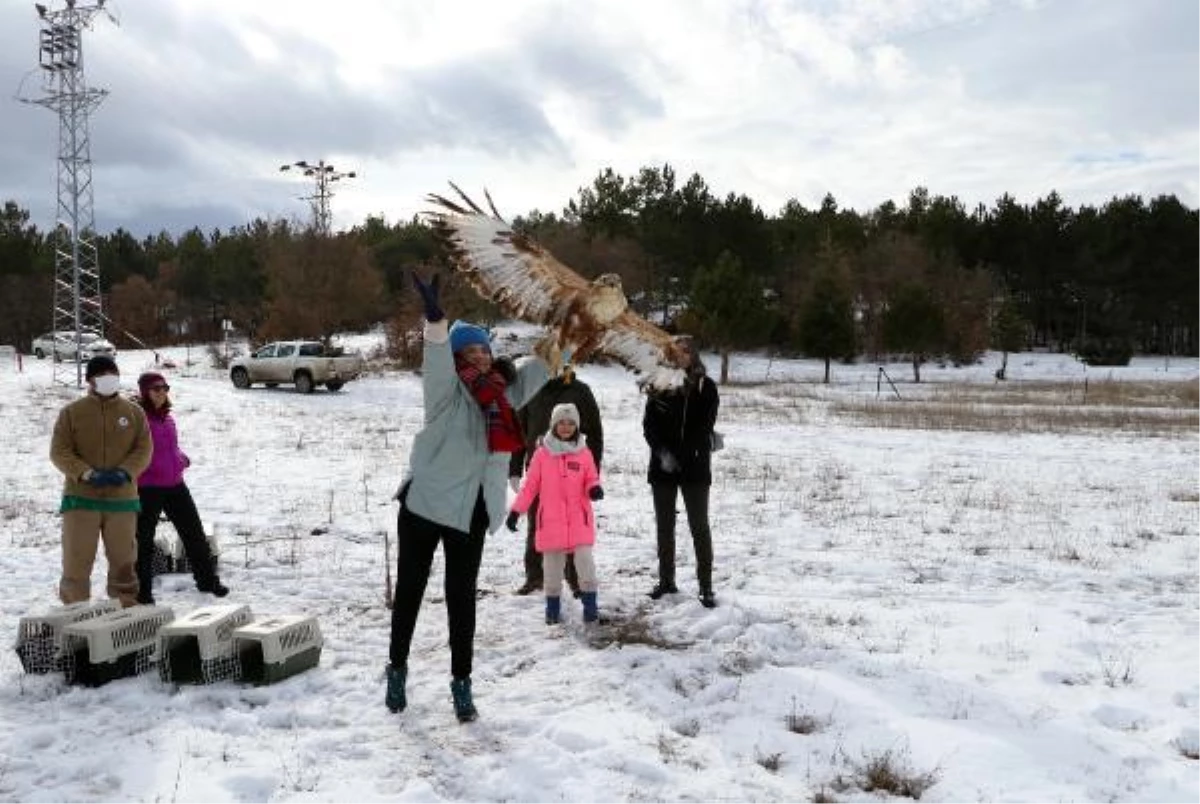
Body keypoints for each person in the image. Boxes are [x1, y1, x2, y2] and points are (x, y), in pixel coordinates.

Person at [386, 273, 549, 723]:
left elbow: (548, 361)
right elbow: (435, 355)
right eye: (471, 351)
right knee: (411, 593)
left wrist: (577, 327)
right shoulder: (445, 390)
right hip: (424, 506)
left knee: (462, 599)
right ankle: (396, 669)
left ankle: (462, 684)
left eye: (485, 350)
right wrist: (436, 322)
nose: (480, 357)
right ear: (459, 357)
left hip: (474, 510)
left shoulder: (506, 393)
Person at [49, 355, 152, 608]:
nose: (110, 379)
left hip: (122, 500)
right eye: (103, 375)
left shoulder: (134, 412)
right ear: (90, 380)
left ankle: (125, 610)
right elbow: (59, 451)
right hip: (81, 499)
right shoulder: (72, 413)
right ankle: (74, 611)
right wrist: (86, 473)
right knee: (76, 560)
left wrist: (125, 472)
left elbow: (144, 449)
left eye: (113, 373)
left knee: (124, 561)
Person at [508, 360, 604, 597]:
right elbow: (519, 430)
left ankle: (575, 579)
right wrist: (514, 468)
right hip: (540, 468)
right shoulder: (532, 389)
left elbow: (595, 433)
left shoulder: (581, 391)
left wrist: (592, 475)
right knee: (538, 523)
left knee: (573, 527)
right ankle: (535, 577)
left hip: (574, 473)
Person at [133, 372, 228, 605]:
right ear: (145, 392)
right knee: (143, 541)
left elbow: (170, 449)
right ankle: (142, 592)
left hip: (175, 484)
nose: (162, 393)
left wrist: (181, 459)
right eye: (156, 389)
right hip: (148, 488)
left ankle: (207, 581)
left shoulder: (167, 418)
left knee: (194, 534)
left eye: (165, 388)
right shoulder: (138, 419)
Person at [643, 336, 721, 608]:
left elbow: (705, 426)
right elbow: (649, 425)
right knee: (665, 527)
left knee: (699, 526)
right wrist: (663, 453)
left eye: (686, 351)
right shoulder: (659, 382)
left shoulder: (705, 386)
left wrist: (682, 455)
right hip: (662, 467)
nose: (681, 355)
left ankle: (706, 586)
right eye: (676, 351)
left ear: (693, 355)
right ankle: (666, 581)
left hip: (694, 467)